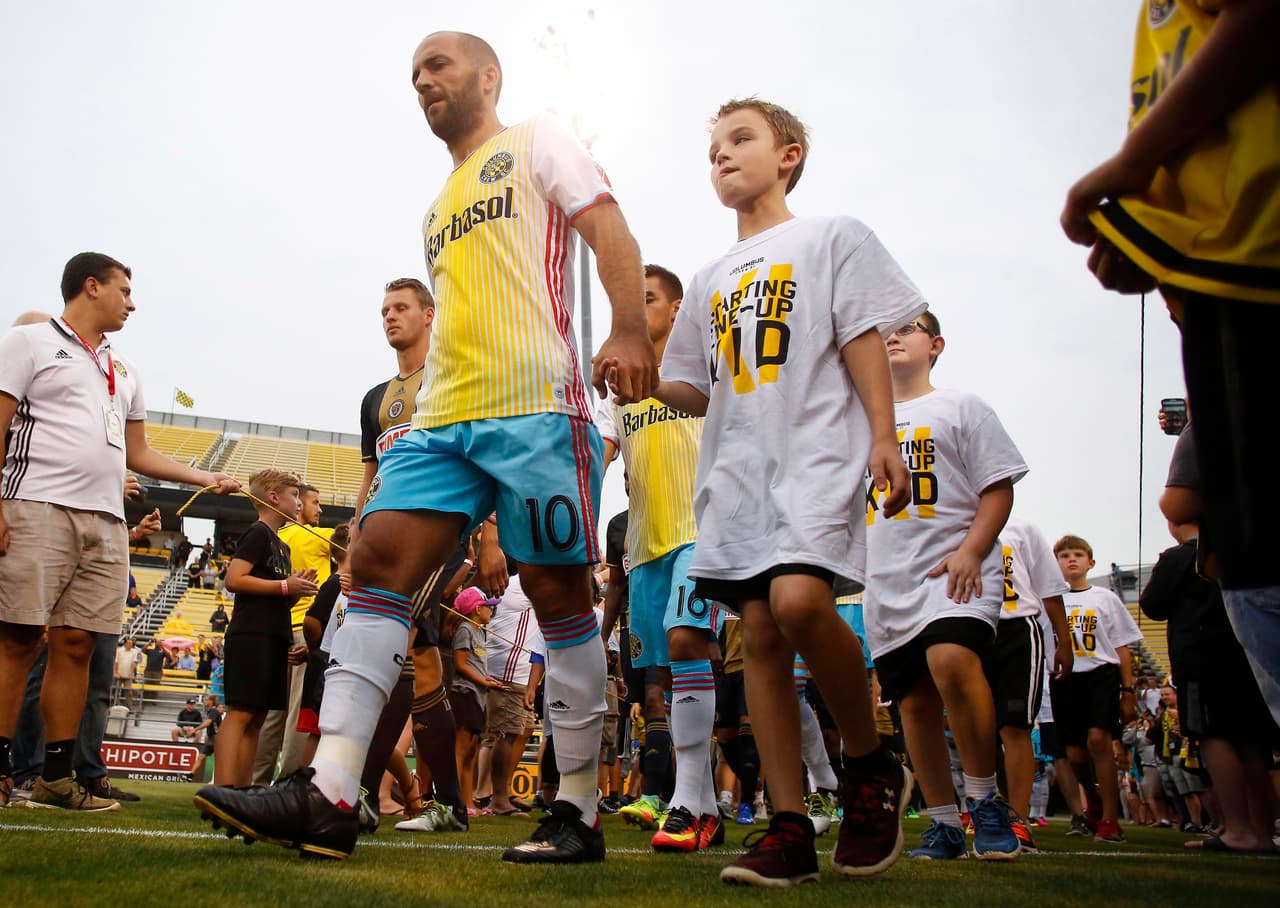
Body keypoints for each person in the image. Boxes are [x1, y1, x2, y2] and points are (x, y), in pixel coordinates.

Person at [192, 31, 656, 862]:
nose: (423, 82)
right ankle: (332, 793)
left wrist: (626, 324)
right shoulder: (438, 205)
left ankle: (578, 809)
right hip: (442, 419)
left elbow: (609, 229)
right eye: (414, 75)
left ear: (489, 75)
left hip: (536, 407)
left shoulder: (540, 140)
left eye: (437, 66)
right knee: (372, 565)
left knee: (558, 598)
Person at [648, 97, 923, 887]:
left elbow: (863, 336)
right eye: (713, 149)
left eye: (741, 140)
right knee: (761, 636)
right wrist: (647, 381)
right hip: (736, 473)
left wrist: (882, 435)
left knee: (802, 605)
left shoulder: (831, 236)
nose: (722, 157)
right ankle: (789, 828)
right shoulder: (706, 278)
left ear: (790, 154)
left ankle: (869, 764)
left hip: (817, 456)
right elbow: (699, 391)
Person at [1060, 0, 1280, 728]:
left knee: (1261, 552)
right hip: (1217, 264)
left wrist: (1129, 168)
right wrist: (1158, 234)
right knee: (1249, 552)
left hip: (1255, 254)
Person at [0, 252, 238, 811]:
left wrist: (204, 476)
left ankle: (57, 780)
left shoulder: (124, 368)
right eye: (124, 291)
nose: (132, 303)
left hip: (106, 521)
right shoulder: (29, 342)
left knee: (78, 645)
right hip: (36, 506)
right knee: (17, 640)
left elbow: (139, 453)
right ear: (91, 287)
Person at [860, 311, 1028, 862]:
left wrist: (972, 550)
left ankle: (984, 800)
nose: (892, 336)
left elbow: (997, 488)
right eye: (883, 330)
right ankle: (942, 821)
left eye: (907, 329)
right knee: (914, 703)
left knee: (953, 662)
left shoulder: (962, 406)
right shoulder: (856, 422)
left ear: (935, 345)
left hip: (955, 568)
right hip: (886, 580)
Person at [595, 263, 721, 852]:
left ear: (675, 309)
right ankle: (705, 803)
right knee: (662, 680)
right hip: (642, 546)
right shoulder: (619, 387)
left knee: (687, 644)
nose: (637, 307)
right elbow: (598, 453)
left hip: (700, 532)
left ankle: (687, 802)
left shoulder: (703, 370)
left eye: (649, 298)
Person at [346, 277, 469, 834]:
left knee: (397, 650)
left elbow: (473, 450)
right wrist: (355, 538)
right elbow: (370, 478)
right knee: (420, 666)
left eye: (401, 308)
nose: (390, 317)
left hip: (440, 532)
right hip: (386, 538)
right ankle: (448, 805)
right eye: (384, 310)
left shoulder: (449, 380)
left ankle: (357, 791)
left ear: (429, 314)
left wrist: (487, 537)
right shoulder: (375, 399)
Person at [206, 469, 315, 788]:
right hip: (250, 635)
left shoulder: (282, 545)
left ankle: (244, 788)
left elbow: (272, 592)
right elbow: (235, 579)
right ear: (272, 497)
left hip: (273, 636)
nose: (298, 502)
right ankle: (224, 788)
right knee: (240, 713)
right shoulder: (257, 533)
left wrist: (295, 590)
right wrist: (285, 586)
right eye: (294, 495)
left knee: (257, 717)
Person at [1049, 535, 1143, 843]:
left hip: (1100, 673)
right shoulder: (1047, 600)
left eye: (1077, 554)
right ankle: (1094, 797)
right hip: (1065, 678)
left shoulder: (1105, 598)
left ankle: (1110, 819)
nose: (1071, 559)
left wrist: (1127, 690)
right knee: (1075, 756)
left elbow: (1122, 646)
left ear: (1091, 562)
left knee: (1099, 740)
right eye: (1063, 555)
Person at [988, 516, 1073, 852]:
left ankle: (1018, 821)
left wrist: (1063, 641)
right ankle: (989, 811)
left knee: (1015, 727)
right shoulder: (949, 521)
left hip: (1017, 628)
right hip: (969, 628)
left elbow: (1050, 589)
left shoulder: (1022, 529)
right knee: (980, 733)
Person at [255, 482, 333, 785]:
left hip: (280, 628)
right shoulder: (315, 536)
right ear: (299, 505)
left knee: (272, 713)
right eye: (315, 502)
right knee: (299, 715)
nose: (320, 509)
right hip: (307, 632)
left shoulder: (275, 535)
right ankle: (288, 780)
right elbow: (357, 539)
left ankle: (256, 779)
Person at [189, 694, 224, 783]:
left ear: (211, 701)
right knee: (201, 757)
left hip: (217, 738)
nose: (204, 701)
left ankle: (217, 779)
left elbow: (208, 723)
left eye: (206, 699)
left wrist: (195, 729)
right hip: (212, 738)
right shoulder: (210, 711)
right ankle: (189, 776)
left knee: (220, 760)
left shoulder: (213, 711)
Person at [114, 637, 141, 712]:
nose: (130, 644)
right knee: (115, 690)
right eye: (129, 643)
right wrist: (115, 672)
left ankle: (129, 707)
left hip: (127, 674)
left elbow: (134, 662)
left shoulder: (134, 651)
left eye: (131, 643)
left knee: (129, 691)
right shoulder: (119, 650)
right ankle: (115, 705)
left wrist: (131, 673)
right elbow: (116, 662)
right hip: (119, 673)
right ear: (125, 643)